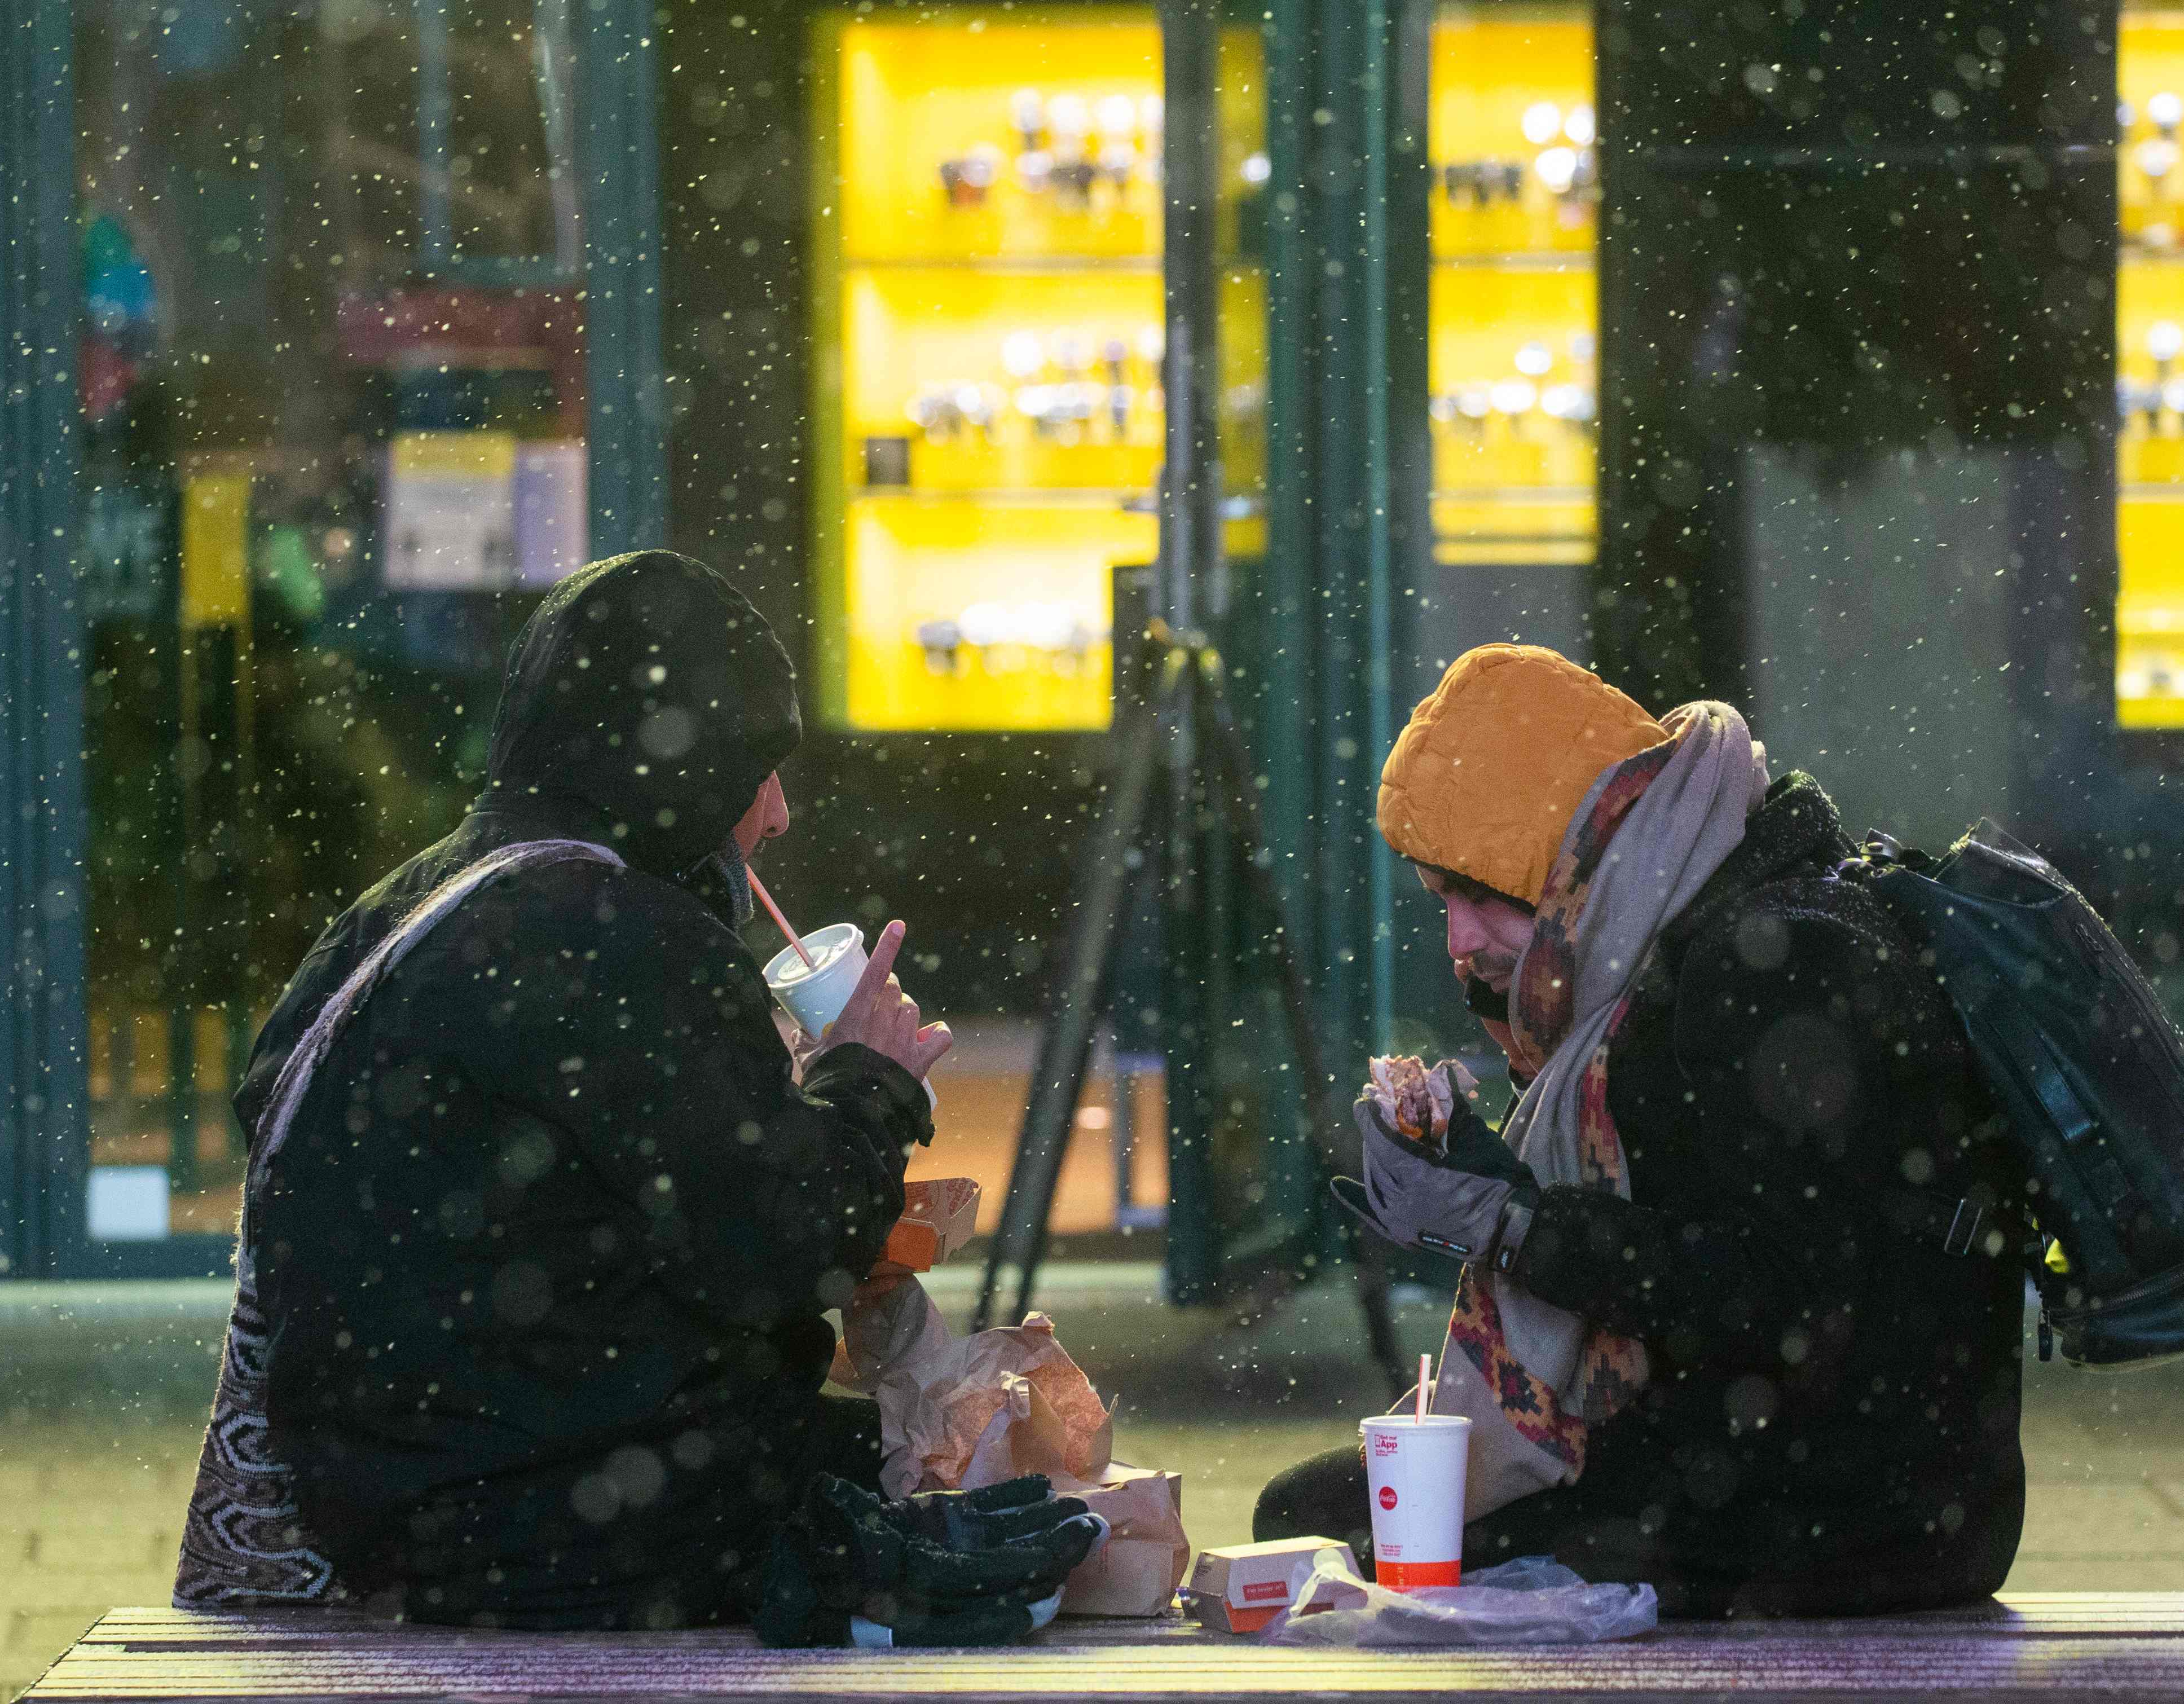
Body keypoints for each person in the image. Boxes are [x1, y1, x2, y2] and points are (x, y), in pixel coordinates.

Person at [174, 551, 1098, 1637]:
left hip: (396, 1489)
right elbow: (784, 1249)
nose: (779, 814)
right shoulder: (618, 936)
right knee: (1009, 1490)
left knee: (947, 1458)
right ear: (685, 766)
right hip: (555, 1524)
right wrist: (869, 1083)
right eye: (756, 770)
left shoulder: (414, 902)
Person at [1254, 644, 2030, 1617]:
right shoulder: (1698, 904)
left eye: (1477, 893)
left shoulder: (1773, 966)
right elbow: (1683, 1195)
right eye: (1438, 899)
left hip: (1847, 1513)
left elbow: (1790, 1295)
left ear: (1563, 855)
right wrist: (1485, 1172)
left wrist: (1510, 1224)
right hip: (1776, 1465)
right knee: (1326, 1511)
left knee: (1331, 1532)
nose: (1457, 939)